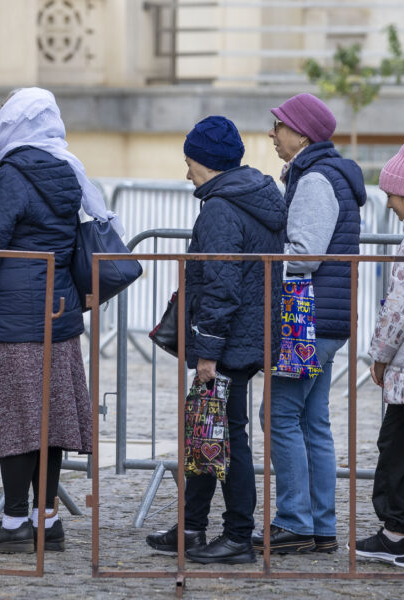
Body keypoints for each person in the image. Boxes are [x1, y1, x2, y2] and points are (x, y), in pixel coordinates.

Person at [0, 88, 98, 554]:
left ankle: (17, 520)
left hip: (16, 317)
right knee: (48, 423)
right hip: (56, 314)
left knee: (18, 422)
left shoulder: (13, 177)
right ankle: (47, 519)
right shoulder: (65, 171)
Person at [144, 115, 285, 564]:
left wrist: (207, 353)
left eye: (189, 162)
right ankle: (191, 526)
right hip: (246, 336)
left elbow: (221, 286)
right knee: (207, 427)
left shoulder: (222, 209)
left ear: (206, 162)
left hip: (229, 343)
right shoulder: (251, 197)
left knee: (229, 436)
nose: (187, 172)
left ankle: (239, 535)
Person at [256, 92, 365, 556]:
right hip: (325, 317)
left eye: (278, 126)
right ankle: (319, 525)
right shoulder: (324, 174)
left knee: (279, 415)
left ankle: (295, 521)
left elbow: (303, 255)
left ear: (300, 133)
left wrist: (264, 268)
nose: (272, 135)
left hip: (307, 316)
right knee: (312, 420)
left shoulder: (316, 179)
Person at [353, 136, 404, 570]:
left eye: (391, 194)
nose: (387, 203)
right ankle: (393, 532)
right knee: (396, 448)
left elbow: (401, 307)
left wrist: (378, 356)